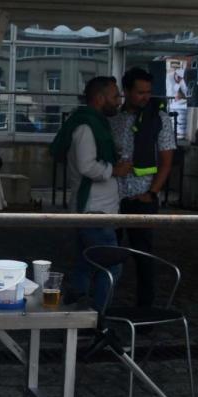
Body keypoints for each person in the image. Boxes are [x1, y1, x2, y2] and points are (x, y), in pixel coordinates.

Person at [110, 67, 175, 308]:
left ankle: (146, 311)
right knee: (108, 254)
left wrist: (151, 193)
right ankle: (101, 308)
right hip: (114, 198)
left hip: (142, 197)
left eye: (148, 92)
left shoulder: (160, 120)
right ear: (126, 91)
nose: (145, 97)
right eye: (140, 92)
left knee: (144, 257)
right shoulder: (114, 120)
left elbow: (167, 162)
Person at [66, 76, 132, 310]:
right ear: (100, 98)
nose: (119, 100)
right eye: (115, 96)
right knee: (111, 266)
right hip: (94, 211)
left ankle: (75, 316)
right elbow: (86, 166)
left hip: (97, 209)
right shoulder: (86, 127)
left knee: (86, 264)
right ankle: (96, 320)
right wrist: (115, 169)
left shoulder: (95, 124)